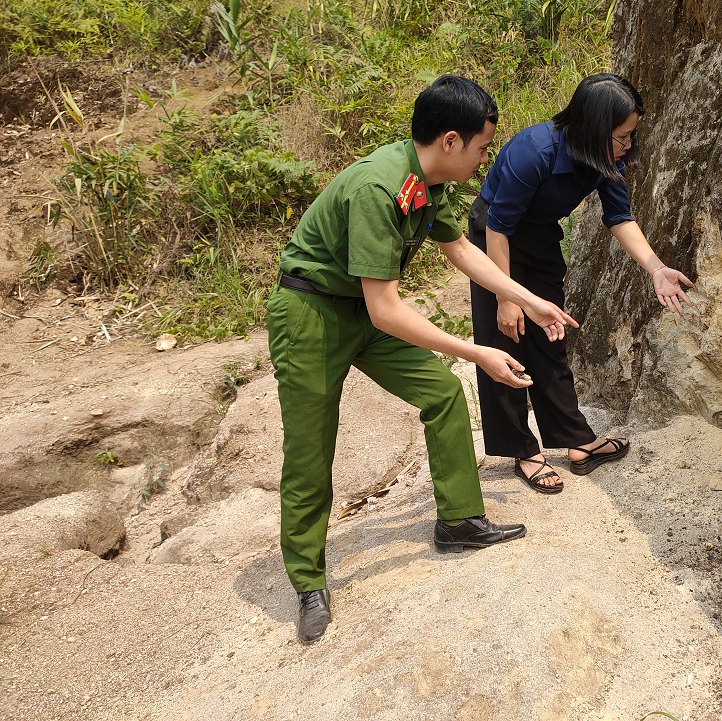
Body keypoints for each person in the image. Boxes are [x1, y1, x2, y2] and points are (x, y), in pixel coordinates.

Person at [267, 75, 578, 644]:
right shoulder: (377, 189)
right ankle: (308, 578)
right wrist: (478, 350)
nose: (487, 159)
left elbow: (458, 246)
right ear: (452, 140)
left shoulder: (425, 178)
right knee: (312, 446)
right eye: (484, 147)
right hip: (311, 315)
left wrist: (528, 301)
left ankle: (459, 521)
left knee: (441, 393)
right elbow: (386, 309)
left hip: (359, 309)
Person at [469, 73, 693, 494]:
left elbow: (619, 217)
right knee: (505, 338)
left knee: (552, 335)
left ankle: (576, 441)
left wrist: (656, 268)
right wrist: (505, 296)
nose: (628, 146)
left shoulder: (606, 157)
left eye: (631, 136)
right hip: (494, 237)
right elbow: (498, 226)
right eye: (622, 137)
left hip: (538, 237)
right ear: (593, 128)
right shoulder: (532, 151)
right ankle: (524, 450)